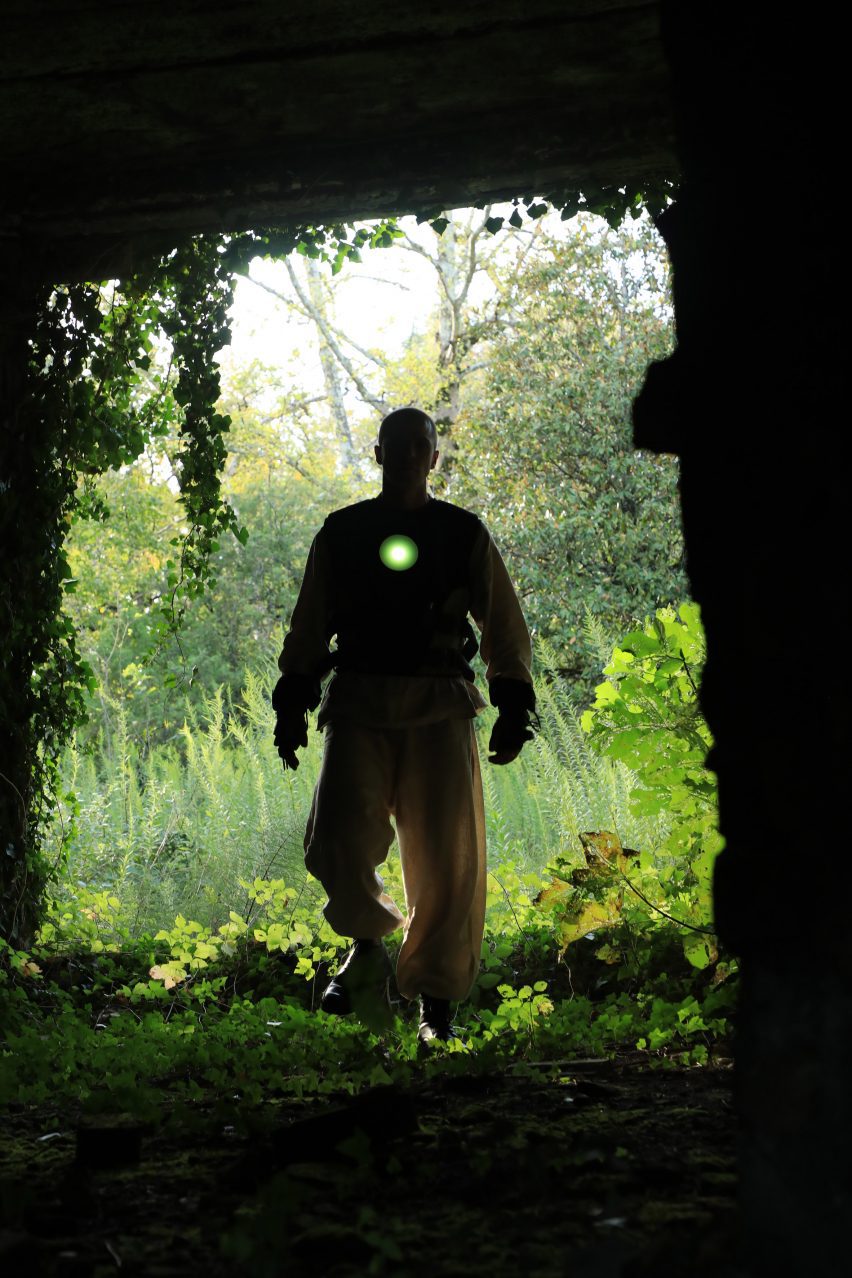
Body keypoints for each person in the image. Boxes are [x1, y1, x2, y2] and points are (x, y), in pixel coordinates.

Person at [272, 407, 536, 1045]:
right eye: (399, 445)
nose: (412, 455)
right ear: (378, 453)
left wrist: (514, 704)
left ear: (434, 458)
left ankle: (436, 1007)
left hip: (442, 703)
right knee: (337, 833)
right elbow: (310, 624)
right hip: (360, 699)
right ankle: (367, 949)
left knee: (448, 856)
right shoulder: (342, 534)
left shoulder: (462, 533)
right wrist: (292, 701)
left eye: (422, 445)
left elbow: (502, 622)